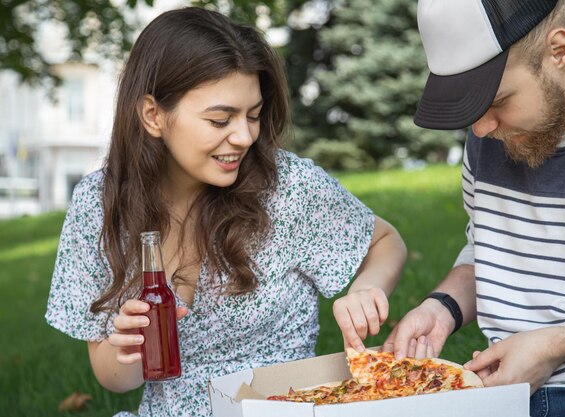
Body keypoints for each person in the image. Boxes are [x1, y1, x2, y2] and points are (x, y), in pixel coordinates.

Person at [45, 7, 407, 416]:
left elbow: (385, 241)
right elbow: (114, 379)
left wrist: (365, 289)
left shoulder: (286, 187)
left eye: (253, 115)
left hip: (279, 406)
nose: (244, 136)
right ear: (153, 115)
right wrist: (128, 344)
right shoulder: (99, 204)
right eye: (220, 120)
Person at [384, 0, 565, 416]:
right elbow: (490, 252)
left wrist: (554, 346)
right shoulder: (494, 132)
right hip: (503, 396)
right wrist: (440, 308)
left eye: (497, 100)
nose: (479, 128)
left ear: (560, 50)